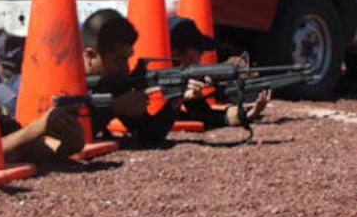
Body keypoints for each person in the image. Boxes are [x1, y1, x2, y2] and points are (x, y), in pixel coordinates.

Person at [82, 9, 270, 145]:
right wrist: (115, 107)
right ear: (90, 56)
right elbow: (68, 135)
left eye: (127, 59)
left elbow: (149, 136)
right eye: (118, 60)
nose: (125, 68)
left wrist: (174, 101)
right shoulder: (66, 83)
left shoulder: (115, 84)